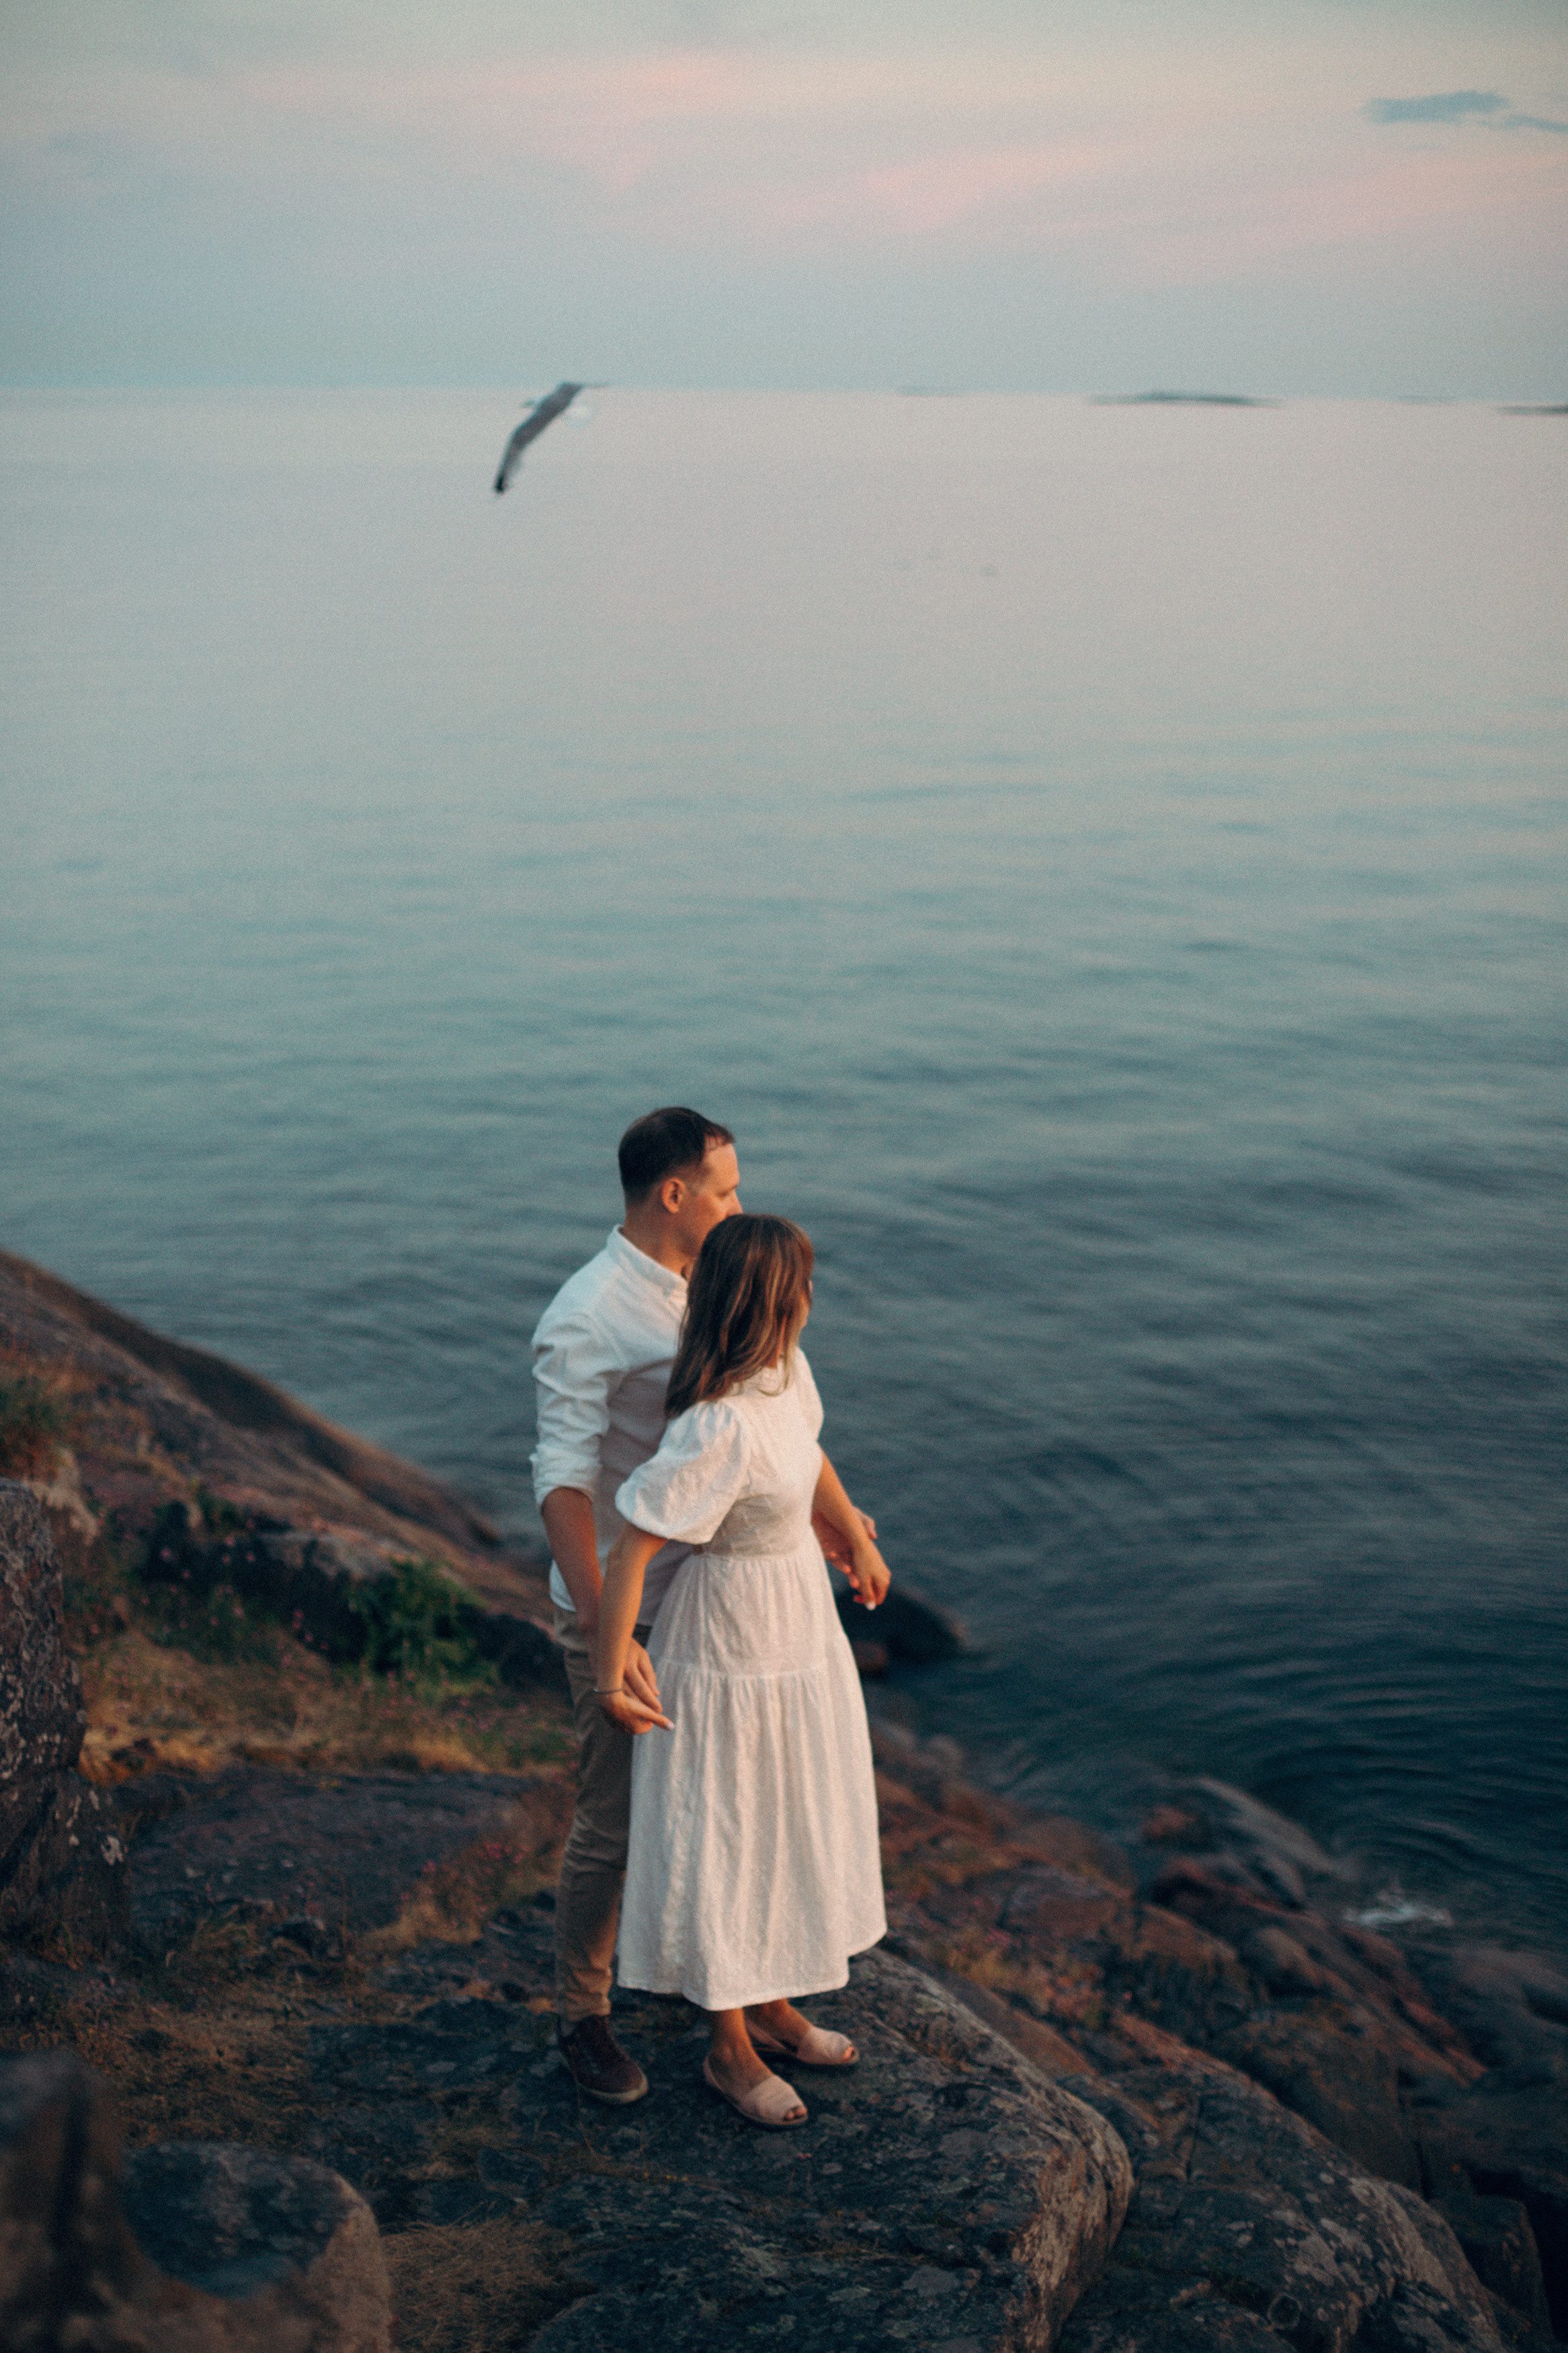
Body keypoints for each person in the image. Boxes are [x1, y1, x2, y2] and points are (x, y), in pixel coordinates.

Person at [595, 1213, 891, 2128]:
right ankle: (726, 2046)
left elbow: (808, 1454)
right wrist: (613, 1671)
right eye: (801, 1283)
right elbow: (630, 1549)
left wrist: (847, 1532)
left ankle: (769, 2004)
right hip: (724, 1645)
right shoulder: (715, 1426)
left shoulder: (783, 1375)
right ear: (775, 1300)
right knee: (723, 1826)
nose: (812, 1297)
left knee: (786, 1812)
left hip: (797, 1630)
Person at [531, 1107, 743, 2102]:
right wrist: (601, 1632)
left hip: (714, 1601)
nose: (738, 1204)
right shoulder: (588, 1314)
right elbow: (561, 1484)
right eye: (726, 1189)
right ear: (675, 1195)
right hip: (625, 1608)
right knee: (612, 1823)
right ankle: (583, 2017)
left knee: (714, 1810)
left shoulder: (714, 1286)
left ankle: (725, 2002)